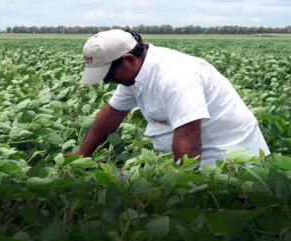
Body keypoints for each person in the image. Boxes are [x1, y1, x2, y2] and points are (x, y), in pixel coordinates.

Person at [65, 29, 270, 169]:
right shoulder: (135, 73)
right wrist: (84, 151)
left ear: (129, 59)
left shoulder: (175, 76)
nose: (107, 81)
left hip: (224, 160)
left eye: (108, 75)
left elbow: (189, 134)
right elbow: (113, 111)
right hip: (187, 157)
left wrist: (182, 186)